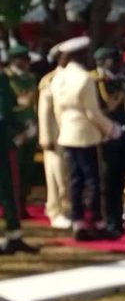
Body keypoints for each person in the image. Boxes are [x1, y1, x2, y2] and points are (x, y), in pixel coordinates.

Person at [51, 36, 122, 241]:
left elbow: (57, 110)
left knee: (75, 180)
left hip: (67, 133)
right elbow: (92, 113)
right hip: (86, 133)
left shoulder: (58, 78)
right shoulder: (84, 78)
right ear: (80, 55)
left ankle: (78, 222)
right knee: (93, 180)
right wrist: (111, 129)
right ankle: (97, 222)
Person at [92, 47, 125, 237]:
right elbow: (98, 110)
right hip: (105, 137)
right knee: (106, 182)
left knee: (118, 180)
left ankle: (118, 220)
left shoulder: (120, 81)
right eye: (113, 60)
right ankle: (108, 222)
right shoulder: (94, 81)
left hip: (122, 136)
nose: (117, 63)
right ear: (103, 61)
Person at [38, 43, 71, 230]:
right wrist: (46, 137)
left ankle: (67, 208)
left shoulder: (74, 77)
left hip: (72, 133)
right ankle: (56, 211)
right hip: (55, 135)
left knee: (69, 175)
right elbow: (44, 111)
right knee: (56, 175)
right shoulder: (50, 80)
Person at [5, 44, 39, 218]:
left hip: (30, 128)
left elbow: (33, 103)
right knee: (12, 171)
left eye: (27, 59)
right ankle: (11, 207)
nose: (26, 63)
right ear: (14, 60)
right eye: (22, 59)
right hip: (13, 131)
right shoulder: (6, 79)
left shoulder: (31, 78)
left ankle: (22, 205)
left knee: (27, 170)